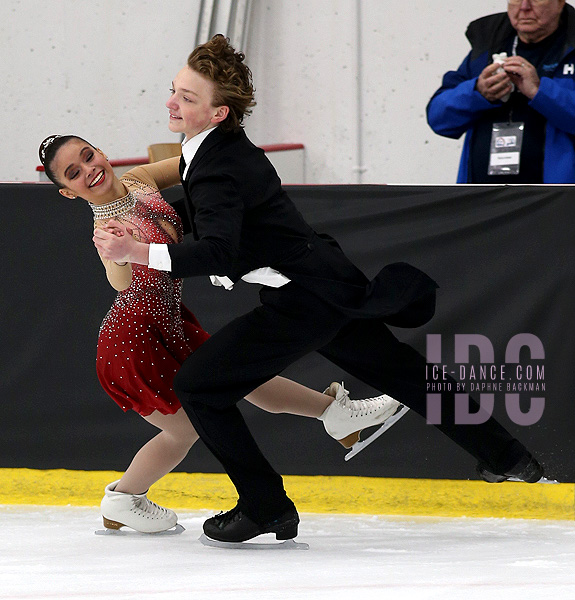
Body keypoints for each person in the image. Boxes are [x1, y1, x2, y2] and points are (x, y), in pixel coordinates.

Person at [94, 35, 544, 545]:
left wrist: (138, 254)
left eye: (187, 98)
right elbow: (183, 172)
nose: (171, 102)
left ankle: (265, 506)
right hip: (326, 280)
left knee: (199, 385)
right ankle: (512, 458)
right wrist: (131, 184)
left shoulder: (217, 167)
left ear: (218, 113)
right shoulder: (217, 148)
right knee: (401, 373)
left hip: (302, 297)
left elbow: (218, 250)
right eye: (174, 90)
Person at [38, 133, 402, 534]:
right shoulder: (106, 229)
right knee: (187, 429)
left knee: (240, 375)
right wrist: (119, 252)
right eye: (74, 173)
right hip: (133, 342)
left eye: (89, 157)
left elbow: (199, 161)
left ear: (101, 152)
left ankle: (336, 415)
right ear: (68, 192)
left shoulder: (141, 179)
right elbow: (120, 283)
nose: (90, 170)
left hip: (171, 322)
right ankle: (124, 497)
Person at [427, 0, 575, 183]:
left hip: (554, 201)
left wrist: (540, 92)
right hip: (483, 201)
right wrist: (478, 92)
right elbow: (438, 118)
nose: (524, 7)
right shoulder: (487, 46)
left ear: (560, 3)